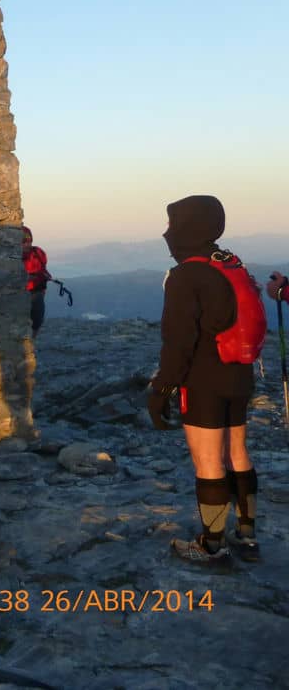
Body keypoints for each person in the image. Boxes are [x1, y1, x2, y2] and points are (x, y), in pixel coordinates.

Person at [150, 195, 262, 564]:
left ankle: (212, 545)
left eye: (172, 223)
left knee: (209, 462)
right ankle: (246, 533)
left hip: (203, 379)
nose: (167, 232)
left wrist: (162, 387)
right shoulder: (230, 263)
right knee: (237, 453)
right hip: (239, 373)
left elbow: (178, 341)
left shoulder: (186, 276)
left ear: (188, 226)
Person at [21, 226, 51, 335]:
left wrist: (45, 276)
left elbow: (43, 269)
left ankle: (30, 344)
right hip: (23, 295)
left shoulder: (38, 253)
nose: (27, 244)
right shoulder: (13, 257)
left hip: (37, 293)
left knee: (37, 321)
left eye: (29, 241)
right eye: (24, 242)